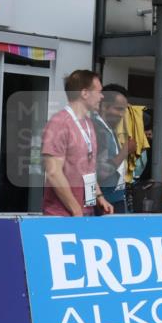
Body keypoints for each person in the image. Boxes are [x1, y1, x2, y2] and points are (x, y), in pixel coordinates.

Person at [41, 70, 114, 217]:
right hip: (62, 215)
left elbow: (89, 169)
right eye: (99, 91)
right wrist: (75, 209)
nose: (102, 96)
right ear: (85, 93)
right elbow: (54, 172)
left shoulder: (88, 124)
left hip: (85, 212)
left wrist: (99, 197)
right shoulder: (59, 123)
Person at [92, 84, 135, 214]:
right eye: (118, 109)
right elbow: (100, 172)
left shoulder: (109, 128)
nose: (122, 115)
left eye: (124, 110)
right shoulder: (97, 129)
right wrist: (125, 151)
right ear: (105, 107)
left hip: (114, 197)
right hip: (105, 201)